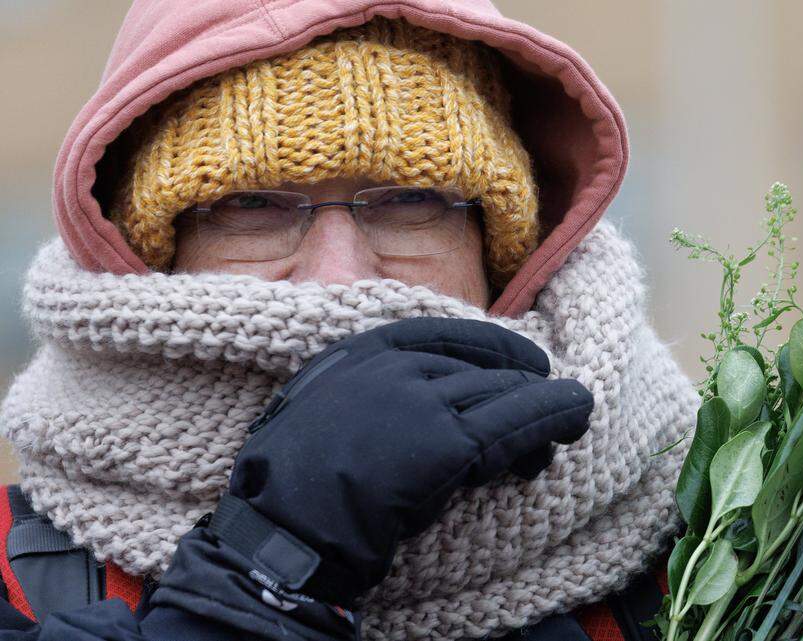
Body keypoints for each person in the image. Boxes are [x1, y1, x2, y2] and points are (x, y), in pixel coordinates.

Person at [0, 1, 699, 640]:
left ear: (500, 254)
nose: (339, 278)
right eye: (253, 206)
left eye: (409, 199)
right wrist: (269, 564)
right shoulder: (15, 573)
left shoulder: (711, 540)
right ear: (154, 256)